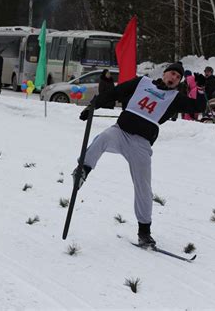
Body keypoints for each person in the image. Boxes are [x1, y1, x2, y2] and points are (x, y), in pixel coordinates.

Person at [73, 62, 206, 247]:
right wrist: (93, 106)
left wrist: (198, 87)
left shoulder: (175, 97)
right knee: (103, 138)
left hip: (141, 145)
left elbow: (198, 106)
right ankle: (82, 171)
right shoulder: (143, 82)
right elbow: (115, 92)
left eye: (178, 77)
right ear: (165, 73)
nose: (174, 78)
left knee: (143, 187)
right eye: (172, 73)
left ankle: (144, 232)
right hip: (121, 131)